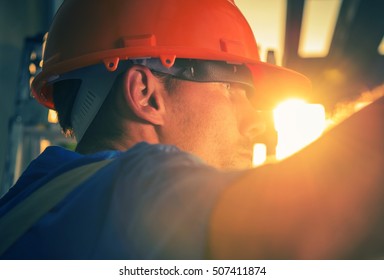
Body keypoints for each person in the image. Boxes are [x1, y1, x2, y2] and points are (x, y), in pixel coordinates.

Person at [0, 0, 383, 259]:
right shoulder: (138, 187)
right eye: (234, 90)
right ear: (146, 95)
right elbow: (314, 228)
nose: (256, 124)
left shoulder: (27, 203)